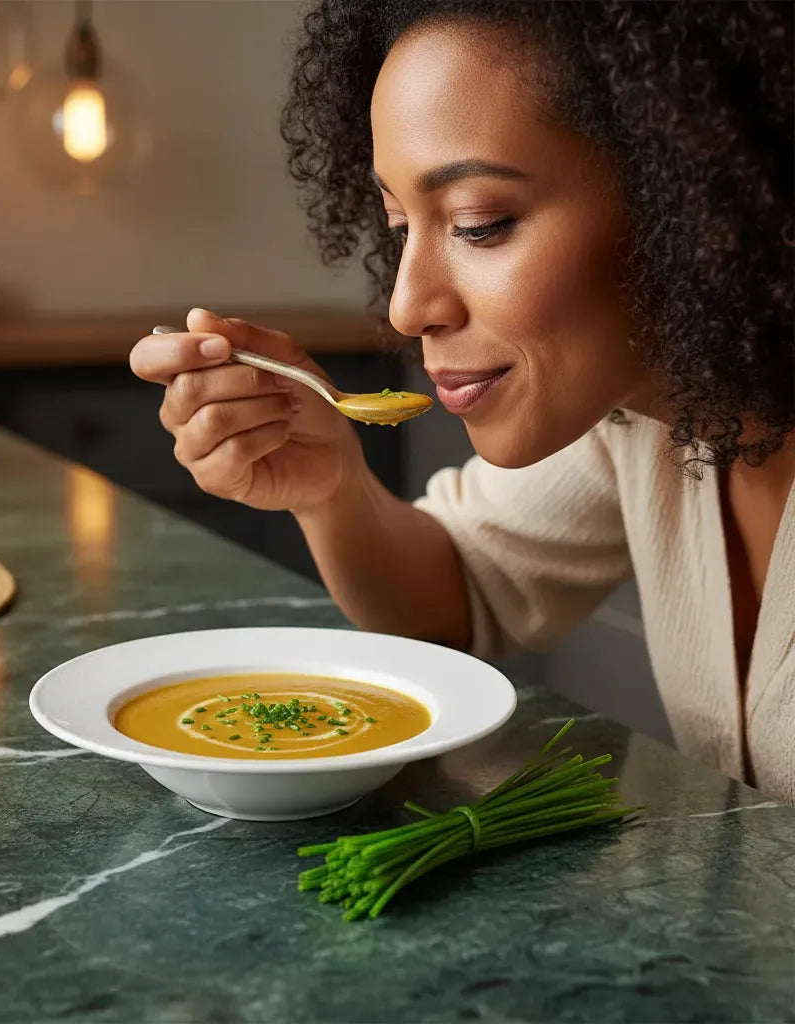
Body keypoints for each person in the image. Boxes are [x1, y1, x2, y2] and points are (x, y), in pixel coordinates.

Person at [130, 1, 794, 803]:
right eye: (401, 224)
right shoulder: (640, 419)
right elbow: (456, 595)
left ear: (689, 190)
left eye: (480, 224)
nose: (408, 308)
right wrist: (330, 487)